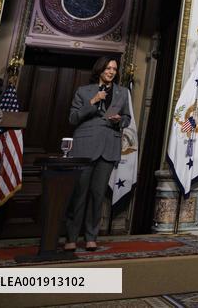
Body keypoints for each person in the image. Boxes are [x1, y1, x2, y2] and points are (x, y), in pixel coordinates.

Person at [64, 56, 131, 252]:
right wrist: (93, 101)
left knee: (98, 195)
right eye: (108, 68)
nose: (111, 71)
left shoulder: (122, 92)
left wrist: (120, 120)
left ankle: (91, 236)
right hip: (85, 148)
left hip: (108, 148)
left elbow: (127, 118)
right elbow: (73, 118)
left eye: (114, 69)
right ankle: (71, 237)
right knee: (79, 194)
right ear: (100, 69)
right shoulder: (84, 91)